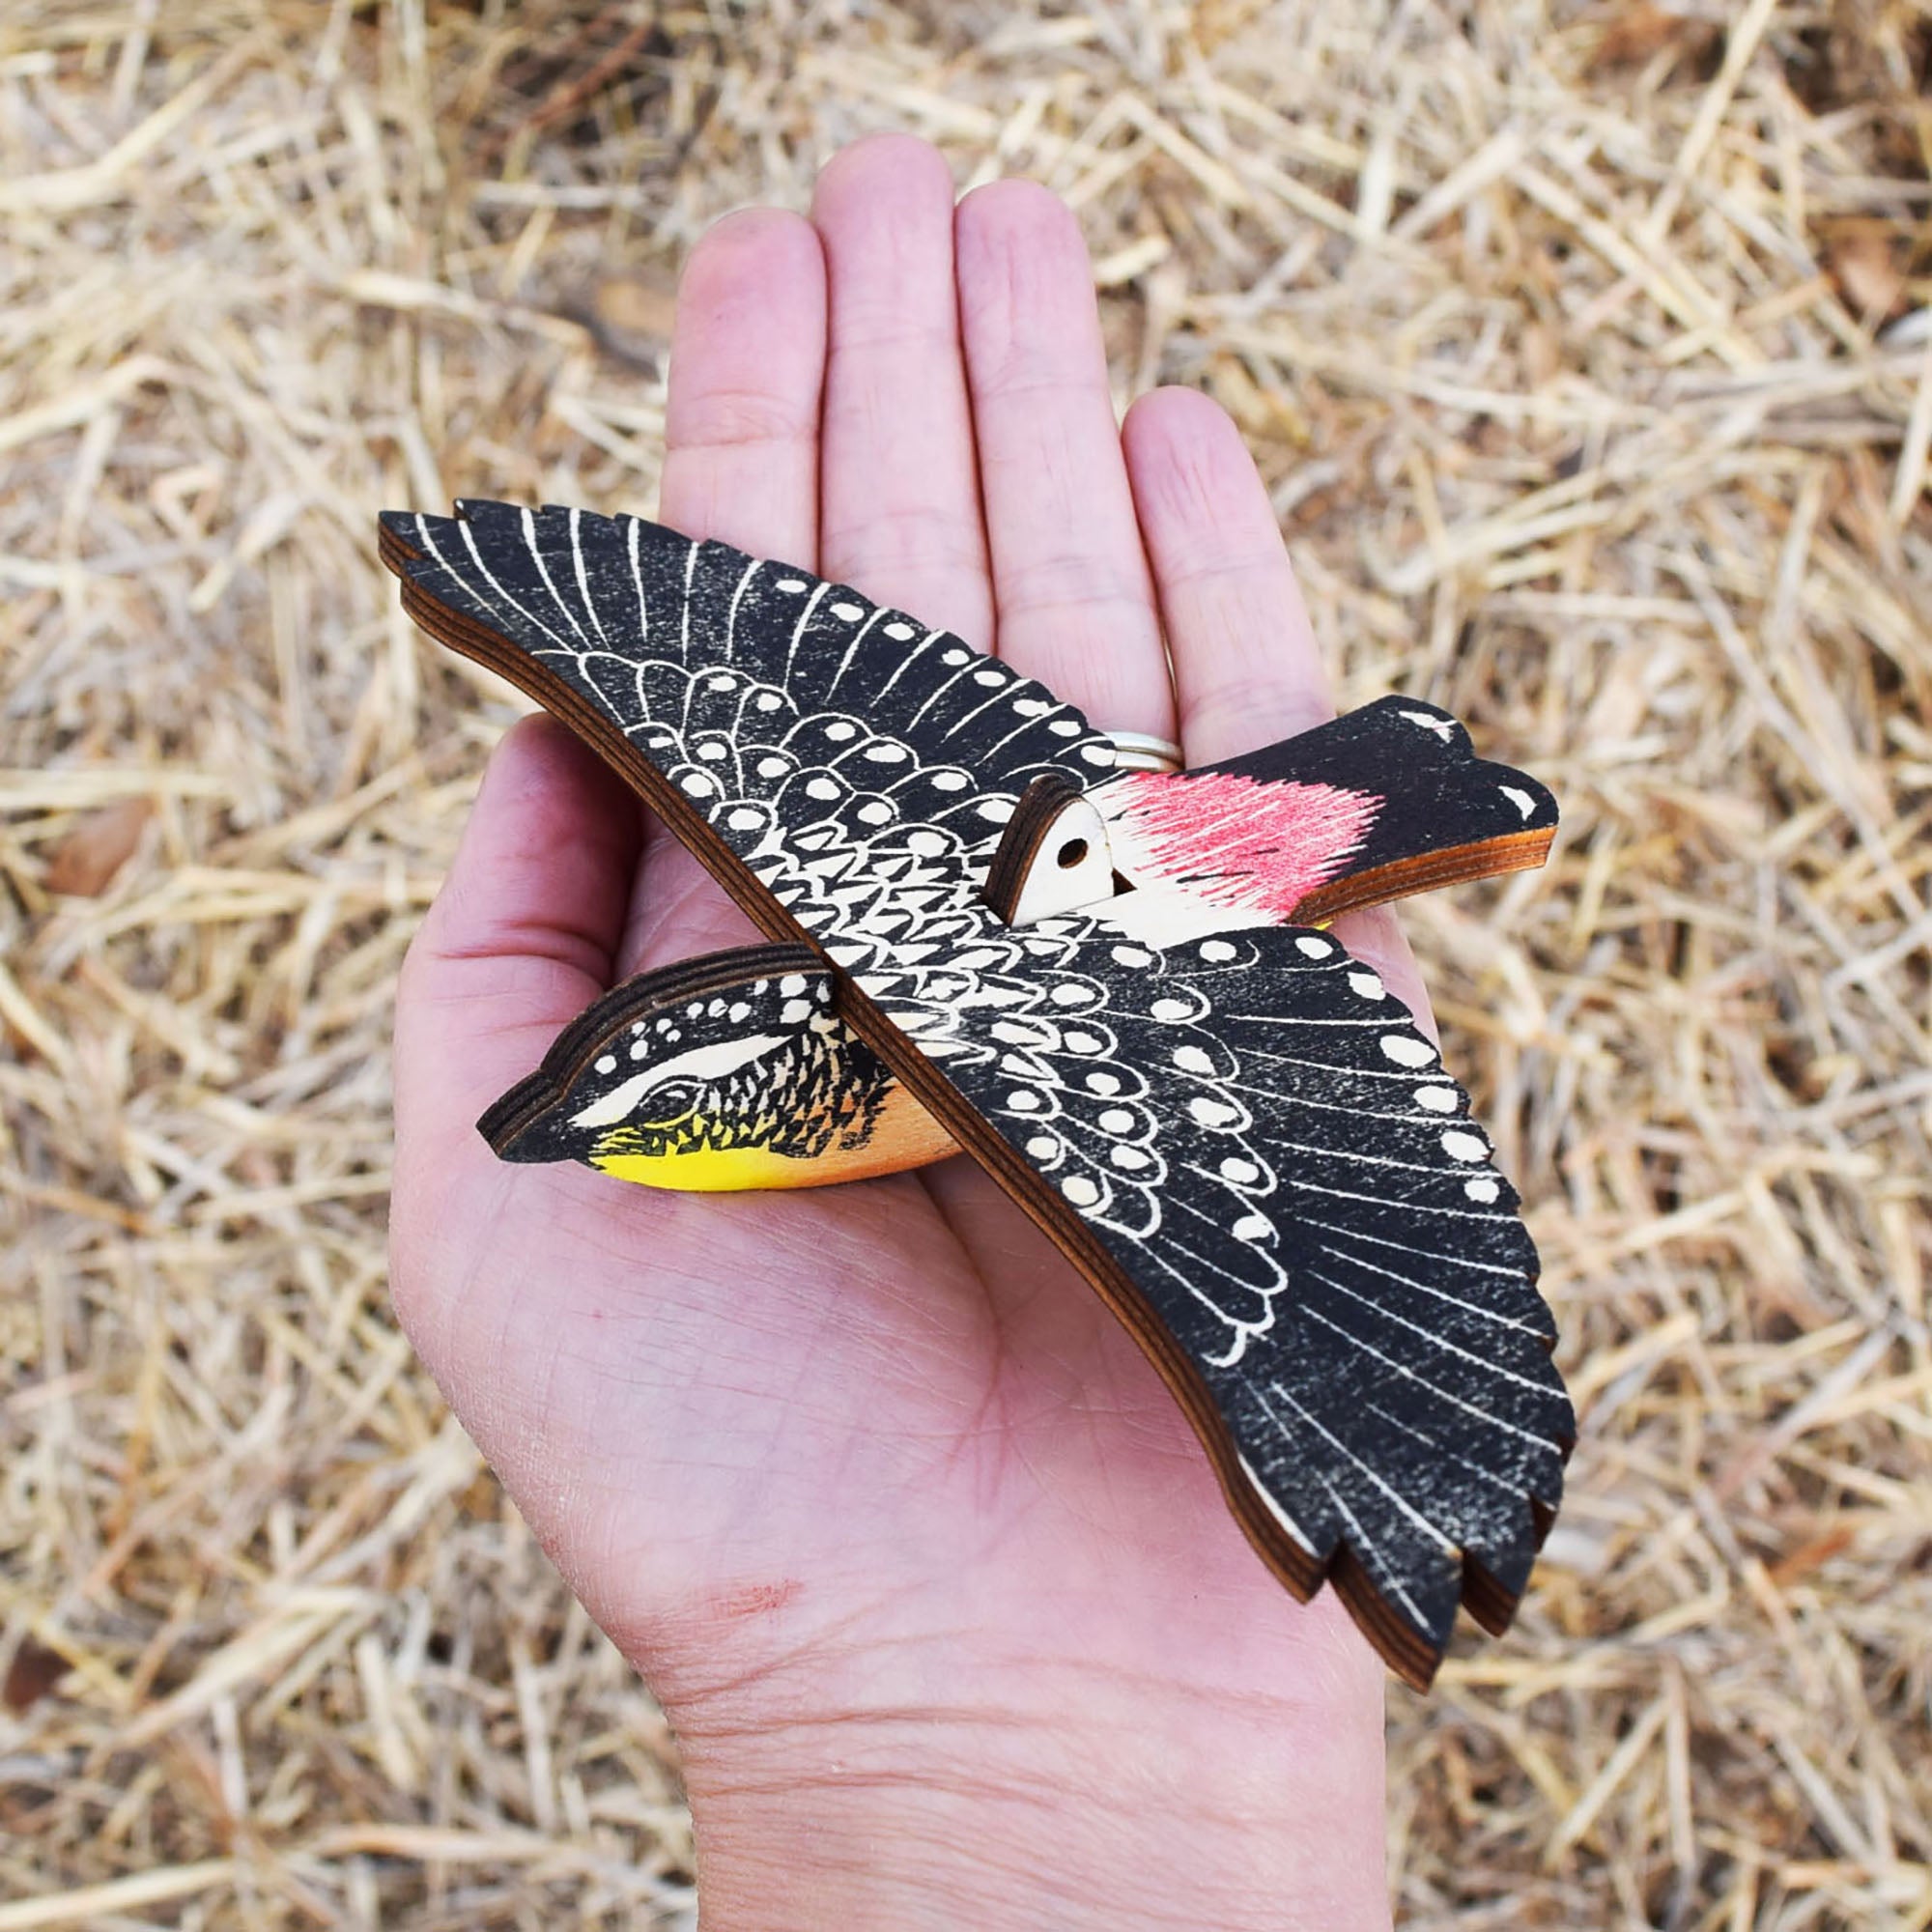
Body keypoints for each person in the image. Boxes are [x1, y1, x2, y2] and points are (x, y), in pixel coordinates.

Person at [389, 133, 1406, 1929]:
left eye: (631, 1099)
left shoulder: (977, 1056)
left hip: (1166, 878)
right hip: (1118, 878)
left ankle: (1377, 804)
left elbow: (1268, 1244)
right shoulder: (815, 1057)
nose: (603, 1119)